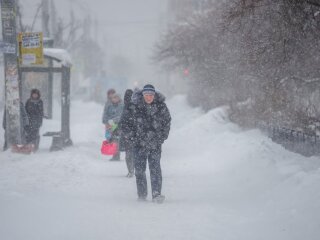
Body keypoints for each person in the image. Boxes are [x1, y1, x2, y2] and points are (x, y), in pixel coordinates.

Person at [130, 84, 171, 203]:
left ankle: (156, 193)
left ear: (154, 95)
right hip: (139, 145)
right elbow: (128, 123)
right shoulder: (135, 106)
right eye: (147, 95)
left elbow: (167, 122)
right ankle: (142, 194)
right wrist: (133, 138)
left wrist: (161, 137)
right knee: (139, 170)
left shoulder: (161, 106)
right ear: (143, 95)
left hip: (155, 144)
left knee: (155, 169)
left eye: (151, 95)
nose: (149, 97)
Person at [103, 93, 124, 161]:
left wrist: (112, 121)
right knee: (111, 139)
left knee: (116, 140)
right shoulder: (110, 105)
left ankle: (116, 156)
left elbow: (121, 116)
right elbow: (106, 114)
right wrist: (106, 122)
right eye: (113, 98)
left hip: (118, 125)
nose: (114, 99)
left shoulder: (121, 105)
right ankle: (114, 154)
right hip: (110, 124)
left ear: (119, 98)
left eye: (116, 97)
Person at [119, 89, 135, 177]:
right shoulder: (130, 106)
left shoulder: (128, 107)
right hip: (131, 134)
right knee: (131, 153)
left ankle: (131, 170)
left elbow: (123, 119)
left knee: (129, 154)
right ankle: (132, 170)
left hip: (128, 134)